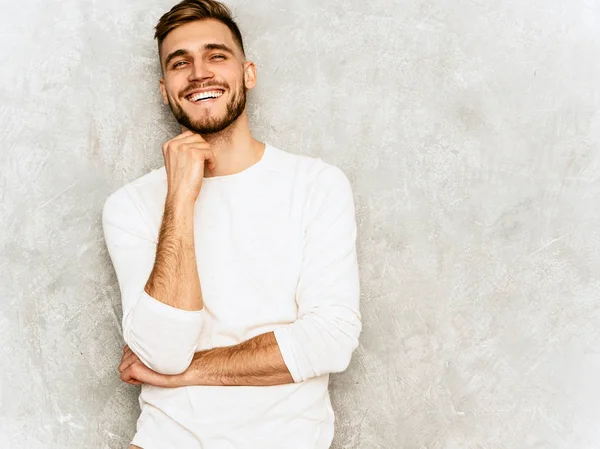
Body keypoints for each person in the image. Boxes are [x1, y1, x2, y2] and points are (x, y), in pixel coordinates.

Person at [101, 1, 362, 447]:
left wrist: (189, 371)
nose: (199, 73)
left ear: (248, 73)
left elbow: (331, 339)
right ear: (165, 90)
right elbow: (161, 351)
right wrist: (180, 198)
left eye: (216, 56)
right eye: (180, 63)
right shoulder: (130, 205)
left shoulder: (316, 184)